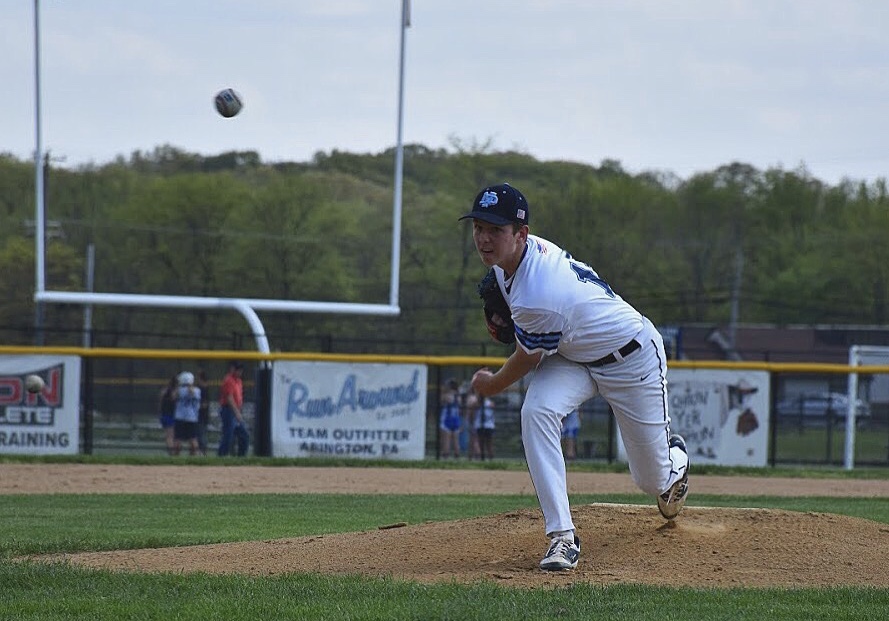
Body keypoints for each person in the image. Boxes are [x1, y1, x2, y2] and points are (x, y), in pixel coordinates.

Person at [461, 182, 689, 572]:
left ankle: (676, 461)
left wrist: (491, 385)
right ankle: (562, 537)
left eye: (495, 230)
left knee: (652, 481)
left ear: (521, 235)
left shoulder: (538, 291)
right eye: (479, 227)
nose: (484, 238)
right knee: (537, 411)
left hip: (630, 358)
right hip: (575, 355)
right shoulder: (509, 265)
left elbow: (525, 360)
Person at [217, 361, 249, 457]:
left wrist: (239, 411)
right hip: (228, 410)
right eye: (237, 370)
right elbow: (229, 398)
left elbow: (239, 397)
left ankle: (241, 457)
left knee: (244, 435)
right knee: (228, 435)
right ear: (232, 369)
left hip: (236, 410)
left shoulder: (238, 381)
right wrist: (237, 413)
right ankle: (222, 455)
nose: (239, 372)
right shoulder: (229, 380)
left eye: (240, 370)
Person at [171, 371, 201, 456]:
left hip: (182, 418)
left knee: (180, 441)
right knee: (191, 441)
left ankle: (175, 458)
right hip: (191, 418)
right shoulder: (197, 390)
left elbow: (173, 397)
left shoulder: (181, 390)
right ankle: (194, 459)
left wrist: (178, 387)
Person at [438, 378, 462, 458]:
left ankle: (445, 455)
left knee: (446, 440)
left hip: (447, 419)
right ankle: (457, 455)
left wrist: (442, 392)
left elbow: (441, 401)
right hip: (456, 418)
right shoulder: (458, 396)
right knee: (456, 440)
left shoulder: (446, 395)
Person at [472, 389, 496, 461]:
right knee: (487, 444)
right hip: (488, 426)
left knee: (480, 443)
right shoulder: (489, 403)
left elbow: (472, 415)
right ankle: (488, 458)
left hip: (483, 426)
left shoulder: (478, 403)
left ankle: (482, 458)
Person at [157, 375, 177, 455]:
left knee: (169, 435)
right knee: (170, 436)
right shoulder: (174, 392)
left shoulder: (164, 391)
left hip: (164, 414)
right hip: (170, 415)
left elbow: (160, 403)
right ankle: (171, 453)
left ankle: (171, 451)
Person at [195, 369, 211, 456]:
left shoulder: (203, 388)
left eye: (198, 377)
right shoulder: (200, 388)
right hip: (200, 416)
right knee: (199, 435)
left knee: (201, 435)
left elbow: (204, 404)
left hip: (202, 416)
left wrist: (195, 407)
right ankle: (201, 452)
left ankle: (203, 453)